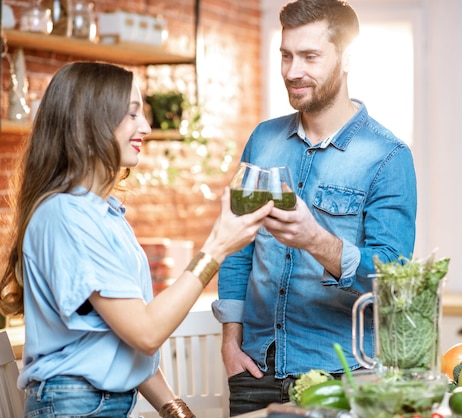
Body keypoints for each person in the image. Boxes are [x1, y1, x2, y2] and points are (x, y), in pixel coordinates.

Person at [0, 61, 273, 418]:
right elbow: (145, 332)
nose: (145, 126)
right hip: (76, 405)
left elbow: (121, 338)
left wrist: (176, 410)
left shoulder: (103, 213)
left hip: (98, 403)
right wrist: (217, 247)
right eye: (132, 114)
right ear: (89, 124)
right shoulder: (66, 216)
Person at [211, 0, 418, 415]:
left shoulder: (388, 156)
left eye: (309, 56)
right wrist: (231, 342)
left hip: (343, 376)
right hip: (255, 371)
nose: (291, 71)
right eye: (285, 55)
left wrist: (316, 240)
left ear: (347, 59)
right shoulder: (263, 140)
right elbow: (238, 249)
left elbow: (394, 280)